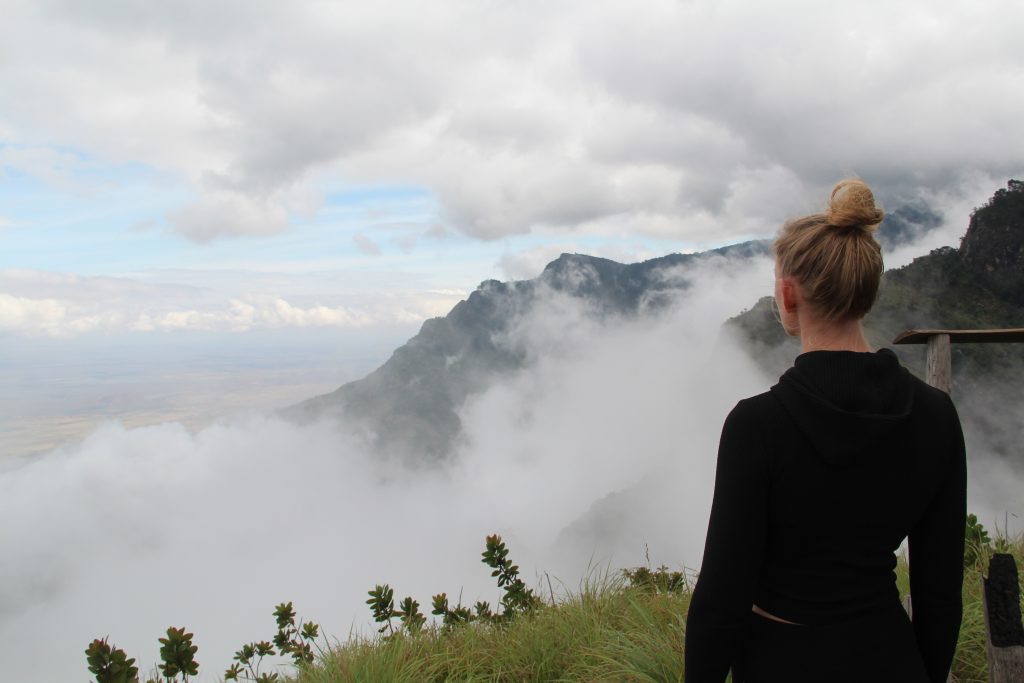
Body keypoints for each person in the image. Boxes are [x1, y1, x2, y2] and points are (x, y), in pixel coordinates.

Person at [683, 179, 966, 683]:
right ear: (865, 292)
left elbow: (722, 598)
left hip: (780, 662)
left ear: (788, 294)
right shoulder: (936, 414)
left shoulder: (757, 425)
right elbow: (939, 592)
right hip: (892, 657)